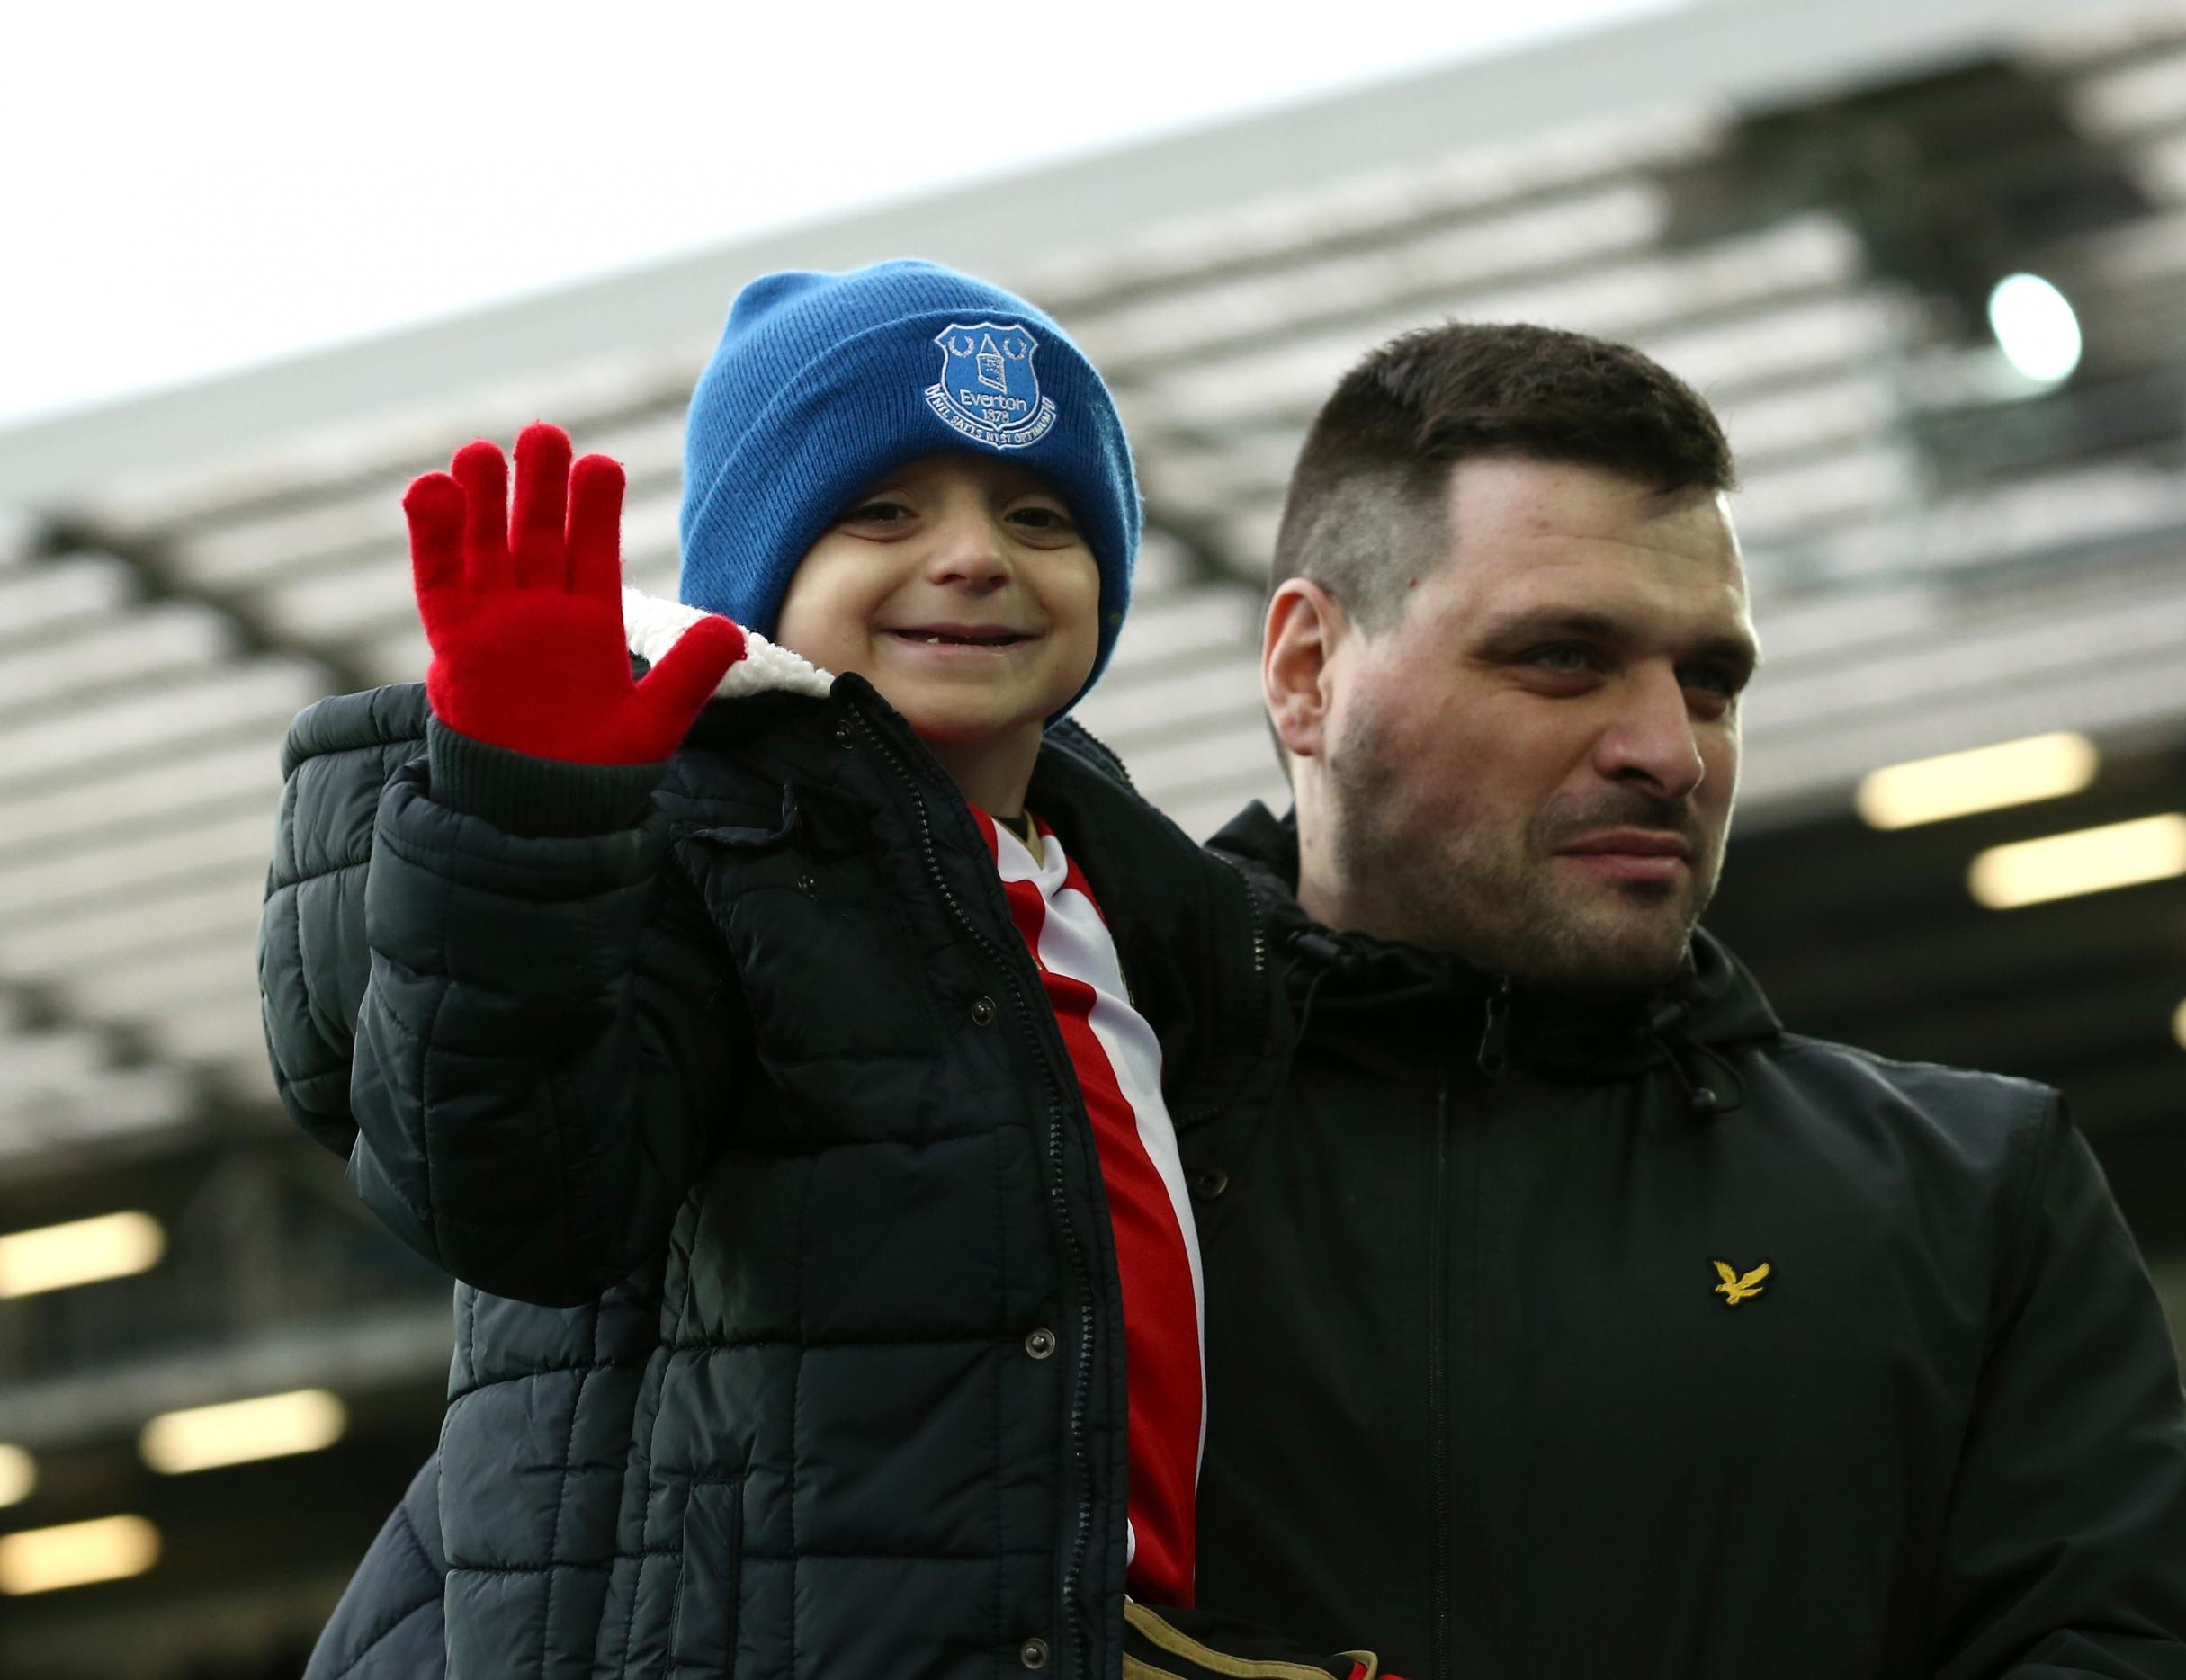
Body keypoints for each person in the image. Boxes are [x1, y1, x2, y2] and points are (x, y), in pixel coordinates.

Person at [261, 261, 1398, 1678]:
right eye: (881, 512)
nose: (976, 555)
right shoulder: (686, 850)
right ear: (758, 570)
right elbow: (518, 1202)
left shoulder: (1153, 919)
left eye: (1040, 514)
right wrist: (525, 820)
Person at [1180, 321, 2186, 1678]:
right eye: (1563, 657)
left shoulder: (1969, 1198)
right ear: (1306, 673)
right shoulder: (1076, 1155)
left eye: (1711, 679)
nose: (1671, 754)